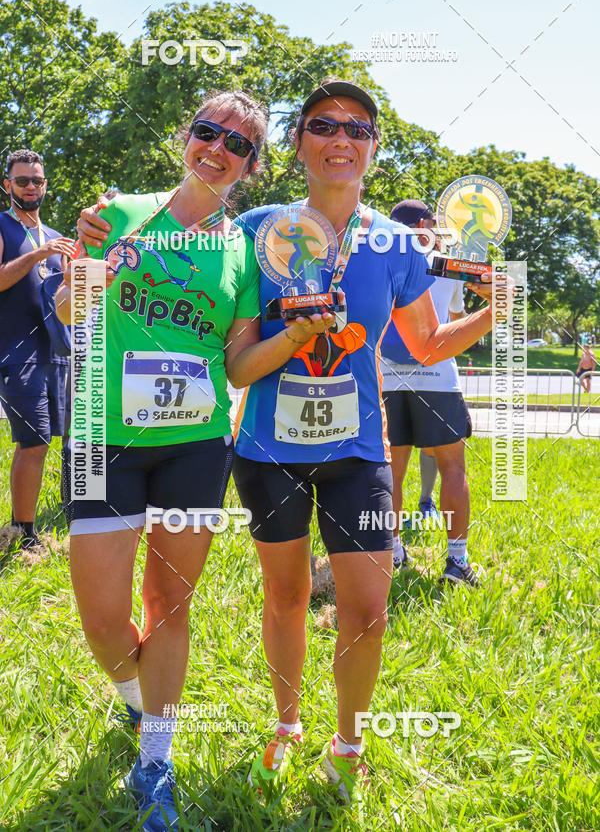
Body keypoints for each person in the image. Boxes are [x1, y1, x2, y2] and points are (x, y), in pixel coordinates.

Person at [78, 79, 514, 807]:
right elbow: (208, 314)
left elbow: (426, 343)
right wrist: (98, 240)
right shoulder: (256, 229)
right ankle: (286, 725)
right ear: (299, 144)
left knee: (368, 609)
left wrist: (494, 312)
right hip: (266, 450)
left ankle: (348, 743)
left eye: (358, 129)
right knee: (282, 596)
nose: (341, 139)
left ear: (374, 148)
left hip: (360, 450)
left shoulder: (395, 243)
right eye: (323, 126)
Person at [60, 90, 333, 832]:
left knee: (169, 607)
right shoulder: (119, 213)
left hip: (194, 443)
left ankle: (157, 759)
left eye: (238, 144)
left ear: (250, 165)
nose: (218, 149)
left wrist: (296, 340)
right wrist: (91, 270)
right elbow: (68, 311)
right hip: (99, 436)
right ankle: (136, 701)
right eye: (209, 132)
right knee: (103, 616)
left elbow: (240, 365)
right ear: (186, 137)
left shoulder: (243, 250)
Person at [380, 200, 478, 585]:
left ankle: (394, 550)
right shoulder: (446, 266)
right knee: (453, 468)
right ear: (423, 224)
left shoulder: (380, 260)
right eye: (434, 224)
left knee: (392, 473)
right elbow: (454, 325)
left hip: (386, 378)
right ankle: (457, 562)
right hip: (437, 377)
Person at [0, 149, 77, 549]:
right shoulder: (4, 227)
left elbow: (70, 299)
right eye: (23, 180)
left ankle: (73, 514)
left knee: (68, 438)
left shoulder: (55, 237)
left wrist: (74, 275)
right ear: (7, 185)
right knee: (34, 442)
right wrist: (38, 255)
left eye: (38, 180)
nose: (31, 187)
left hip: (61, 352)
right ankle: (22, 532)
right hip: (18, 353)